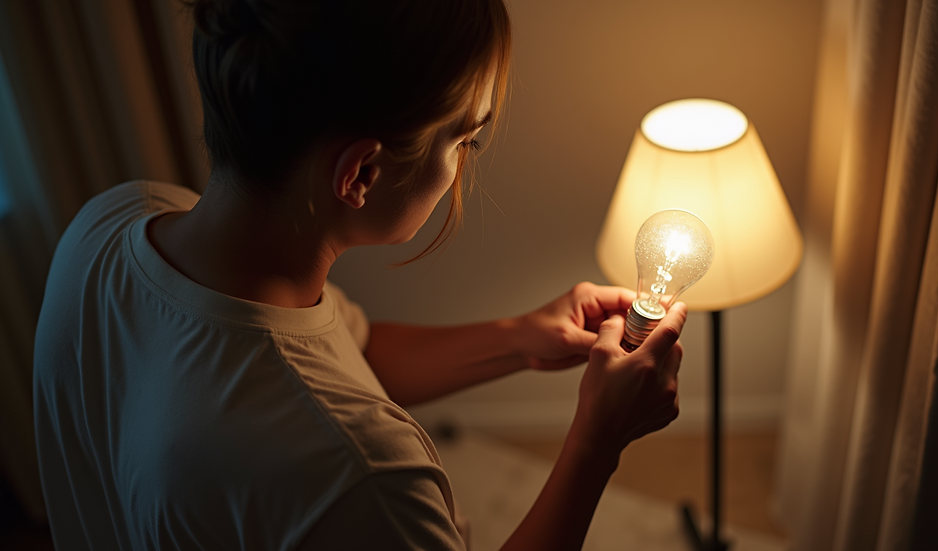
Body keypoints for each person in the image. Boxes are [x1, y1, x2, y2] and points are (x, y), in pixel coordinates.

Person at [32, 0, 686, 549]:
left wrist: (520, 336)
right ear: (361, 173)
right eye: (464, 140)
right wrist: (596, 441)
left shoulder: (112, 224)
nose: (462, 165)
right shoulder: (361, 475)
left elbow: (348, 351)